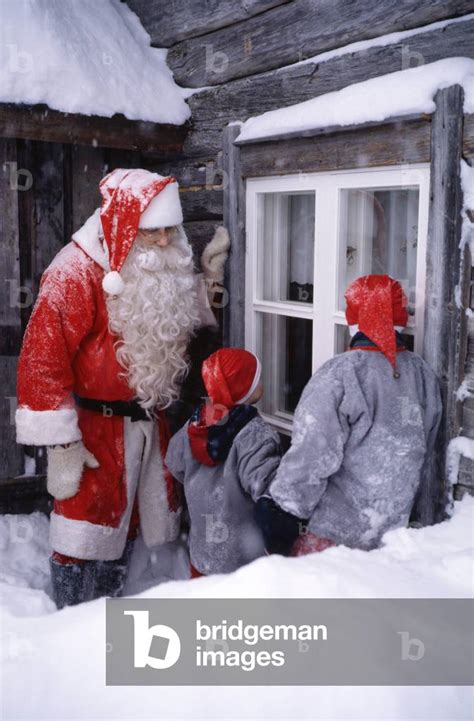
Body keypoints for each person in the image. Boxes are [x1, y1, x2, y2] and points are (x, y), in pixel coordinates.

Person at [15, 168, 230, 607]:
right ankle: (69, 622)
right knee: (82, 531)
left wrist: (206, 281)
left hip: (150, 424)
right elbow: (42, 359)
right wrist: (61, 446)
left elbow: (165, 311)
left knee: (128, 521)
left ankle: (107, 613)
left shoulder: (154, 258)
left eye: (173, 228)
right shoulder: (72, 273)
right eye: (155, 231)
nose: (168, 241)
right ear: (125, 226)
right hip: (95, 429)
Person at [258, 274, 443, 556]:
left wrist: (281, 511)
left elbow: (312, 453)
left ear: (353, 320)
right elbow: (423, 447)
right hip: (392, 541)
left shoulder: (341, 376)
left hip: (332, 541)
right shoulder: (422, 375)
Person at [165, 348, 282, 576]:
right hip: (243, 559)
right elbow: (265, 486)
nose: (262, 382)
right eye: (256, 379)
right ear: (243, 387)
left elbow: (174, 460)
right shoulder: (255, 433)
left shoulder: (198, 421)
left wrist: (198, 484)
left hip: (203, 553)